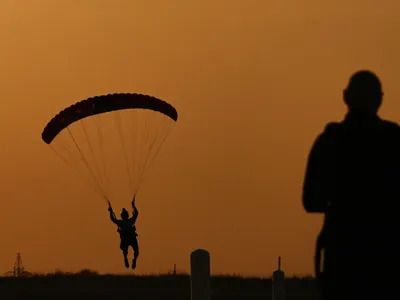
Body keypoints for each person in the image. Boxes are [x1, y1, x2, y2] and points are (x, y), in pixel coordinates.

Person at [302, 70, 400, 299]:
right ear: (380, 99)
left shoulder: (330, 140)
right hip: (385, 259)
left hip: (343, 258)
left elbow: (311, 200)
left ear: (346, 97)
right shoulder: (394, 140)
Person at [108, 196, 139, 269]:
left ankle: (126, 258)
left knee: (125, 251)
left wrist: (110, 211)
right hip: (131, 237)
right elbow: (136, 213)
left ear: (122, 216)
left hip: (125, 238)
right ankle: (133, 260)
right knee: (136, 251)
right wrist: (133, 206)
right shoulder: (130, 221)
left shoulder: (121, 222)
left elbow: (112, 219)